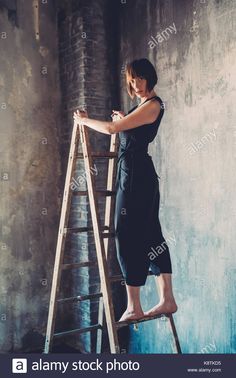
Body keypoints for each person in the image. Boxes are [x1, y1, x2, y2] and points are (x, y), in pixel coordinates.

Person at [73, 58, 177, 322]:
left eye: (140, 78)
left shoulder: (153, 105)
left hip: (135, 179)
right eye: (131, 80)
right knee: (151, 233)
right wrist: (124, 119)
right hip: (136, 175)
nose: (136, 84)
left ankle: (134, 306)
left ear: (150, 77)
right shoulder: (142, 106)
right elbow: (128, 129)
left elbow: (111, 130)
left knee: (127, 234)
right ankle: (167, 300)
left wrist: (84, 122)